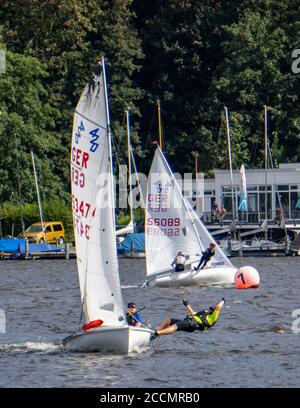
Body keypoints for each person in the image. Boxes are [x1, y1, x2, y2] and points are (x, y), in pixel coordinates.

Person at [151, 298, 225, 339]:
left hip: (192, 324)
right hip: (190, 322)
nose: (214, 307)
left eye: (214, 307)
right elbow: (192, 314)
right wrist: (186, 305)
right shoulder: (205, 313)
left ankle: (158, 333)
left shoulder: (213, 317)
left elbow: (218, 307)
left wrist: (223, 301)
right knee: (168, 320)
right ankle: (157, 333)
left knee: (174, 327)